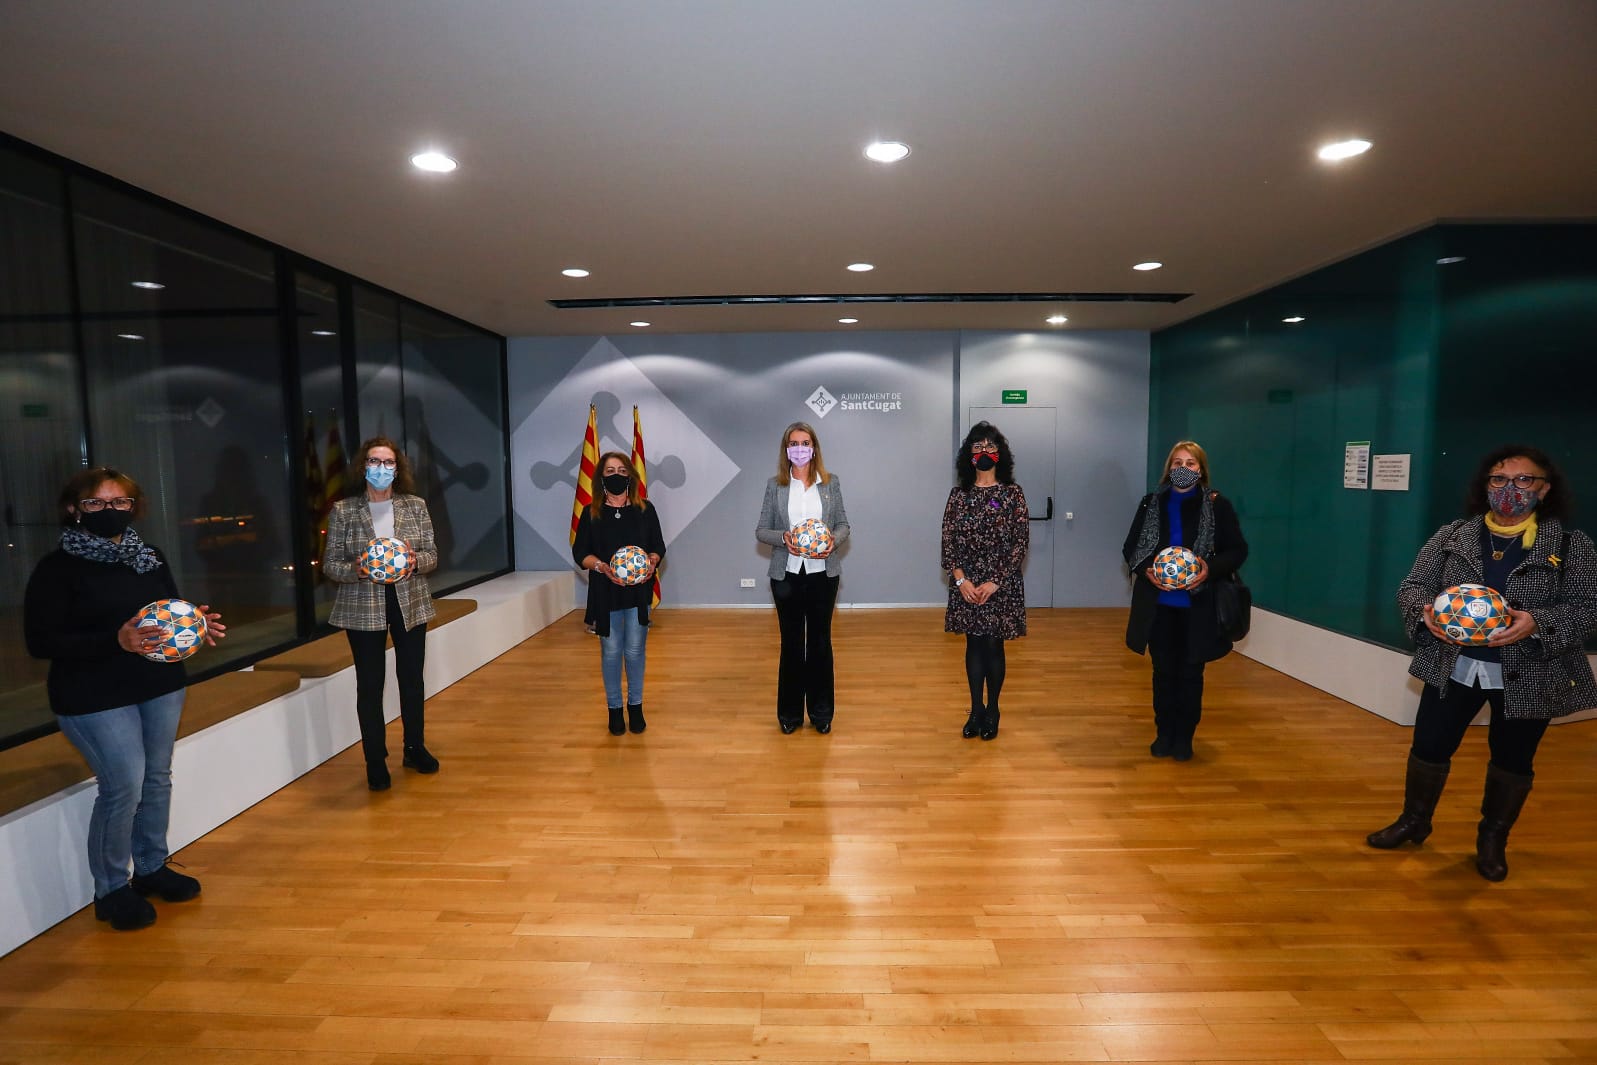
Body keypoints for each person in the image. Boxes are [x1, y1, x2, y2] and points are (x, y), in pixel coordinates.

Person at [1367, 445, 1597, 881]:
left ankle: (1492, 840)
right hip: (1452, 665)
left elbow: (1588, 608)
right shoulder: (1453, 535)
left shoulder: (1569, 545)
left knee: (1512, 758)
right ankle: (1414, 822)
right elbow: (1413, 586)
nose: (1510, 489)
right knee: (1429, 747)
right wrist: (1425, 613)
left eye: (1523, 480)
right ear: (1485, 486)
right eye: (1499, 480)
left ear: (1544, 489)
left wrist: (1538, 623)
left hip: (1529, 671)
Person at [23, 467, 226, 930]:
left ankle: (151, 868)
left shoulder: (148, 557)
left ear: (134, 507)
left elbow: (169, 609)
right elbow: (41, 642)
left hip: (159, 685)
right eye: (96, 503)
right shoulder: (56, 569)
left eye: (120, 503)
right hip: (92, 694)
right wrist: (114, 640)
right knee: (123, 788)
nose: (109, 511)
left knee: (156, 779)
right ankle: (111, 889)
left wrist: (196, 625)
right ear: (75, 509)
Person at [323, 437, 439, 791]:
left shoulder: (415, 506)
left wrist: (416, 561)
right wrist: (357, 569)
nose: (381, 468)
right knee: (370, 685)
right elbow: (330, 564)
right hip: (362, 606)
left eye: (389, 462)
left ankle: (414, 748)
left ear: (398, 468)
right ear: (363, 466)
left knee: (412, 680)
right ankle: (375, 760)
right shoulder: (344, 510)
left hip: (409, 602)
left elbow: (432, 555)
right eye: (375, 461)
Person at [1121, 440, 1248, 762]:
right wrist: (1145, 569)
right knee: (1163, 673)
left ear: (1201, 470)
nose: (1183, 469)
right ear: (1168, 469)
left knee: (1191, 675)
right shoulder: (1151, 503)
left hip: (1199, 606)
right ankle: (1163, 733)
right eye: (1177, 463)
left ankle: (1184, 737)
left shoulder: (1218, 506)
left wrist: (1209, 569)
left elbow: (1237, 549)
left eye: (1190, 464)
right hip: (1159, 605)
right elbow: (1131, 548)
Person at [755, 421, 850, 733]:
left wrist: (830, 541)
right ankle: (790, 715)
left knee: (821, 643)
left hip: (824, 575)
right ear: (786, 449)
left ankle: (822, 715)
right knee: (792, 644)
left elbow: (843, 524)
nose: (799, 448)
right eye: (793, 443)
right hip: (787, 575)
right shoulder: (776, 485)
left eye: (805, 442)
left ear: (814, 448)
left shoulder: (830, 483)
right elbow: (761, 531)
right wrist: (784, 537)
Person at [942, 422, 1029, 740]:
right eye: (977, 446)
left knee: (993, 645)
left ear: (1000, 453)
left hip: (1000, 584)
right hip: (965, 583)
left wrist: (995, 581)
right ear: (968, 455)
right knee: (973, 644)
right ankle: (975, 710)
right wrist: (961, 580)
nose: (983, 452)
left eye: (990, 445)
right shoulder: (958, 496)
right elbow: (948, 542)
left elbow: (1020, 541)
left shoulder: (1012, 494)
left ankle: (993, 710)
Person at [572, 450, 666, 735]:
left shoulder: (645, 510)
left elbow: (658, 546)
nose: (616, 476)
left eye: (622, 471)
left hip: (638, 593)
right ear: (601, 477)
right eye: (610, 471)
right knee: (611, 652)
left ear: (631, 477)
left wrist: (651, 563)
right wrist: (601, 566)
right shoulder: (591, 513)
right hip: (605, 591)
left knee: (636, 650)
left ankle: (635, 707)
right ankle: (614, 710)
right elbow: (580, 553)